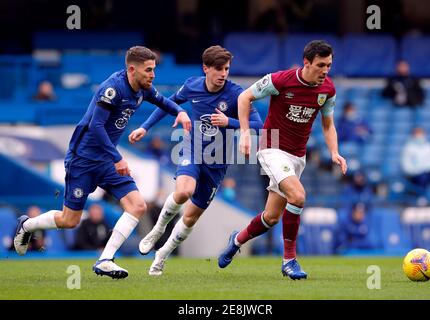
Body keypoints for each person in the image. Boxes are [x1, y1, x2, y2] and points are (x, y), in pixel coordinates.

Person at [13, 46, 191, 279]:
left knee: (137, 206)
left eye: (153, 70)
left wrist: (180, 111)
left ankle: (105, 259)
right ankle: (26, 226)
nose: (152, 75)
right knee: (70, 220)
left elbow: (163, 102)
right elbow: (96, 127)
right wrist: (117, 157)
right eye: (148, 70)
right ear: (132, 69)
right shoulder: (112, 89)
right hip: (83, 160)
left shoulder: (143, 87)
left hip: (106, 160)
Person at [128, 45, 263, 276]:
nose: (223, 74)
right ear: (205, 68)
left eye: (227, 69)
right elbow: (167, 104)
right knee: (183, 191)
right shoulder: (192, 85)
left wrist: (229, 123)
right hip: (192, 148)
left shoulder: (237, 95)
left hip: (218, 161)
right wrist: (144, 127)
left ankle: (162, 255)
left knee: (190, 217)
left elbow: (260, 125)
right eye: (218, 69)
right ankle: (158, 229)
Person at [218, 40, 347, 280]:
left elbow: (328, 125)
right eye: (320, 65)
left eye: (329, 65)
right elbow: (244, 98)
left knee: (271, 217)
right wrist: (245, 133)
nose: (325, 70)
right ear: (306, 62)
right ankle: (289, 261)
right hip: (271, 148)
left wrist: (334, 152)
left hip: (298, 156)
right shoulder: (280, 80)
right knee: (298, 196)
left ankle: (236, 241)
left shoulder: (328, 89)